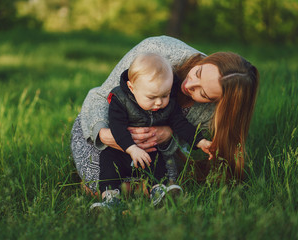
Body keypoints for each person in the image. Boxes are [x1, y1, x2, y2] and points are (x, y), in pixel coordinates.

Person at [70, 36, 259, 203]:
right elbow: (101, 97)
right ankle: (129, 189)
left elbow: (184, 143)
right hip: (109, 140)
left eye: (203, 93)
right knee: (100, 177)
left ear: (218, 102)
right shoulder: (158, 51)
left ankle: (140, 189)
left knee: (165, 170)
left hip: (154, 151)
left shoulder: (212, 112)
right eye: (198, 73)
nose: (189, 85)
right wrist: (105, 135)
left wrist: (170, 136)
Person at [91, 53, 212, 209]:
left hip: (149, 151)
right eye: (152, 97)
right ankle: (110, 198)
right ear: (131, 88)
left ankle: (159, 191)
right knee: (107, 162)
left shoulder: (169, 104)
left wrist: (200, 141)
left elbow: (181, 124)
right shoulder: (120, 100)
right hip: (120, 150)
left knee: (159, 162)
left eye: (165, 95)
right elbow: (117, 127)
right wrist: (132, 148)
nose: (159, 102)